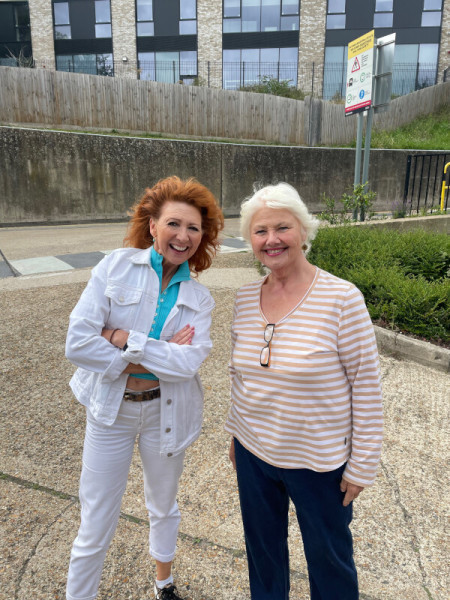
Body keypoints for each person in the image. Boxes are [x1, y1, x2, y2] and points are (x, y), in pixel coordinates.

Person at [65, 176, 224, 600]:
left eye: (194, 228)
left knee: (163, 504)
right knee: (96, 516)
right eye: (174, 223)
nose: (183, 236)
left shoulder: (200, 297)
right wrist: (157, 352)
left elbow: (188, 362)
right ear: (152, 225)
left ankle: (164, 582)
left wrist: (120, 338)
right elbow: (78, 344)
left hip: (165, 412)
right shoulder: (114, 267)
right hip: (111, 410)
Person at [225, 183, 383, 600]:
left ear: (303, 231)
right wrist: (236, 435)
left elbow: (366, 384)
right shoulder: (244, 298)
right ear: (250, 241)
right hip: (254, 454)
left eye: (282, 228)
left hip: (319, 463)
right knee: (263, 555)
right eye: (260, 232)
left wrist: (363, 463)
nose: (271, 240)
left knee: (329, 561)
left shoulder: (341, 299)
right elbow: (240, 374)